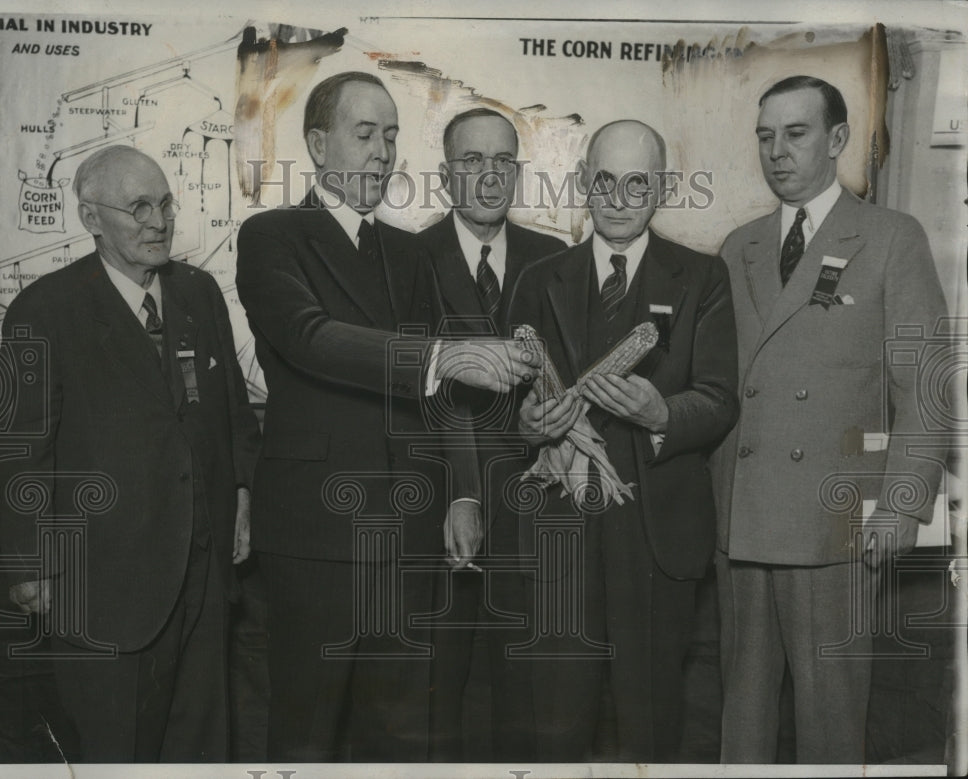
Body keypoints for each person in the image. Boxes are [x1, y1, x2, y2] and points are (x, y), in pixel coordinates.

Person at [234, 71, 536, 762]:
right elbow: (310, 337)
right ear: (317, 143)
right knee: (305, 736)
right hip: (316, 535)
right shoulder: (272, 236)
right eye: (364, 133)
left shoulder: (408, 251)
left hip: (409, 535)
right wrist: (441, 352)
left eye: (391, 136)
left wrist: (462, 492)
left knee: (399, 739)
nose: (381, 151)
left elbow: (441, 397)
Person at [0, 145, 262, 762]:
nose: (158, 221)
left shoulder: (198, 292)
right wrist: (33, 567)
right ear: (91, 218)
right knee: (115, 752)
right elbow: (21, 454)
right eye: (137, 206)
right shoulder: (45, 310)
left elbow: (233, 418)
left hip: (203, 572)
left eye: (165, 203)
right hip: (103, 587)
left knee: (200, 750)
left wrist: (243, 495)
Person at [713, 75, 949, 764]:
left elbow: (925, 387)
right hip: (742, 519)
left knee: (830, 727)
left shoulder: (890, 237)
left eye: (796, 132)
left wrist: (902, 502)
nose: (776, 151)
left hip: (834, 523)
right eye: (765, 136)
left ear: (839, 138)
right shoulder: (740, 246)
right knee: (742, 724)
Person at [505, 119, 738, 762]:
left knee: (653, 722)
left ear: (660, 189)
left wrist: (663, 411)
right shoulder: (539, 277)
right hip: (559, 526)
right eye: (604, 180)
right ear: (582, 182)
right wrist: (526, 427)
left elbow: (719, 398)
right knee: (554, 718)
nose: (617, 198)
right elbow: (506, 403)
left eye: (636, 184)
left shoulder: (702, 277)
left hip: (657, 529)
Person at [416, 107, 567, 761]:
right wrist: (462, 490)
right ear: (446, 174)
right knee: (433, 702)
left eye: (502, 161)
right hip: (436, 511)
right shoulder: (406, 260)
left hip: (536, 514)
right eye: (472, 161)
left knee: (529, 701)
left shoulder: (555, 259)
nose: (488, 176)